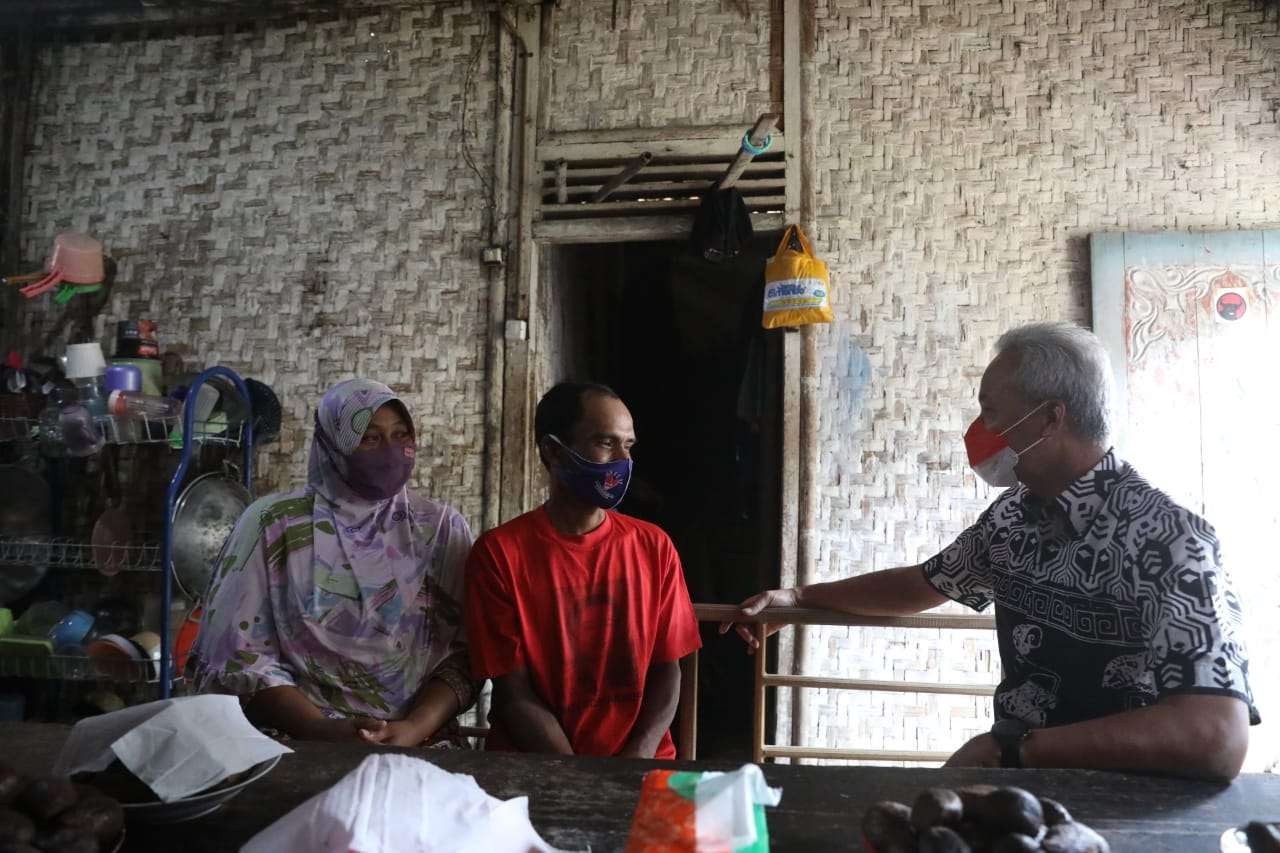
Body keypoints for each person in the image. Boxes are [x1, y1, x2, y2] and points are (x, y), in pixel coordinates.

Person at [722, 322, 1258, 781]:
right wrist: (797, 598)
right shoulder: (1015, 516)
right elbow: (923, 584)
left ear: (1051, 418)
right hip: (1026, 788)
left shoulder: (1171, 540)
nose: (982, 432)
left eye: (992, 412)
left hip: (1130, 806)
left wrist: (1011, 751)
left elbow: (1213, 734)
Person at [191, 378, 477, 747]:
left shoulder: (438, 528)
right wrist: (316, 728)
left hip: (422, 742)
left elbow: (466, 654)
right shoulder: (272, 524)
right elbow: (237, 656)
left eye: (401, 434)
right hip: (297, 740)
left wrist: (416, 728)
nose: (390, 451)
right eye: (370, 438)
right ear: (330, 445)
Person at [465, 382, 701, 758]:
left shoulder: (654, 547)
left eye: (628, 446)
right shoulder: (500, 554)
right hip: (537, 766)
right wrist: (579, 777)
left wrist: (634, 761)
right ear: (553, 452)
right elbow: (513, 692)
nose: (622, 460)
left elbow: (667, 670)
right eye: (606, 443)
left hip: (640, 764)